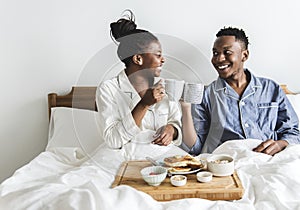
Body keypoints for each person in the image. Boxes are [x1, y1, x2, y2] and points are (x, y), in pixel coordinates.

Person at [181, 27, 300, 156]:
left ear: (244, 55)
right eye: (215, 53)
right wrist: (185, 108)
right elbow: (195, 148)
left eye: (227, 52)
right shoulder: (206, 95)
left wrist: (280, 144)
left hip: (268, 160)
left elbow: (293, 131)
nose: (219, 59)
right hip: (228, 163)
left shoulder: (271, 89)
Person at [96, 10, 182, 157]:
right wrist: (143, 104)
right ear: (138, 59)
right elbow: (113, 140)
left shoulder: (166, 87)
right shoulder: (108, 89)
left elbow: (175, 125)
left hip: (163, 160)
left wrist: (171, 130)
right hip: (122, 159)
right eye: (158, 55)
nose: (163, 60)